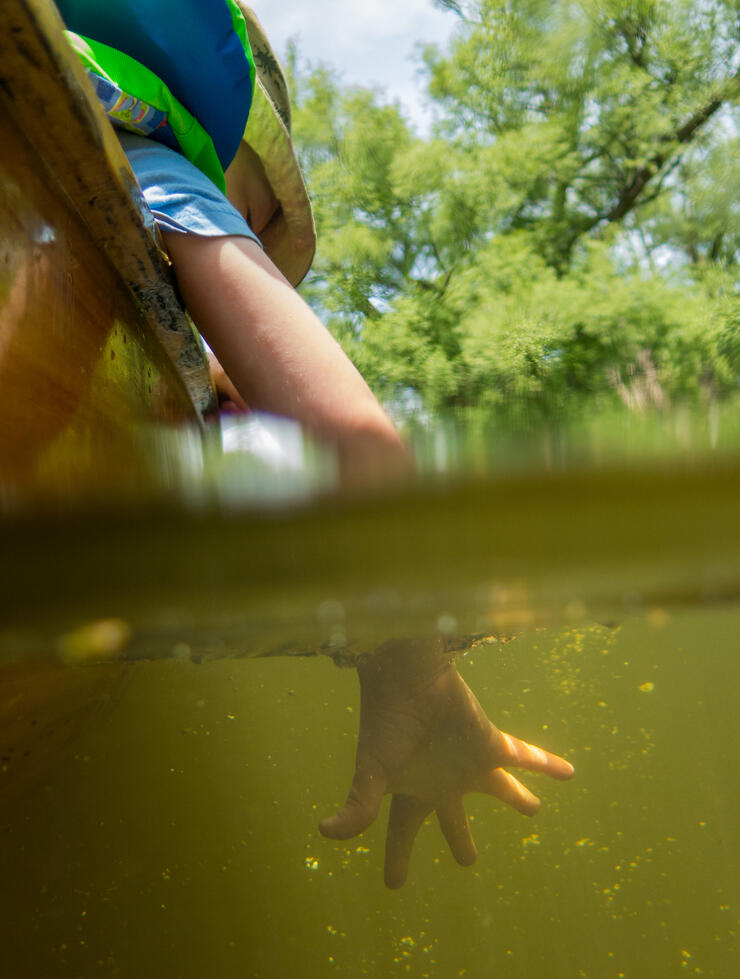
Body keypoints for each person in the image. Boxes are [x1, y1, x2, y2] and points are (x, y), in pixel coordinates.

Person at [57, 0, 573, 888]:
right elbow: (362, 452)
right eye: (261, 228)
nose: (258, 253)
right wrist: (411, 656)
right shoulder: (150, 159)